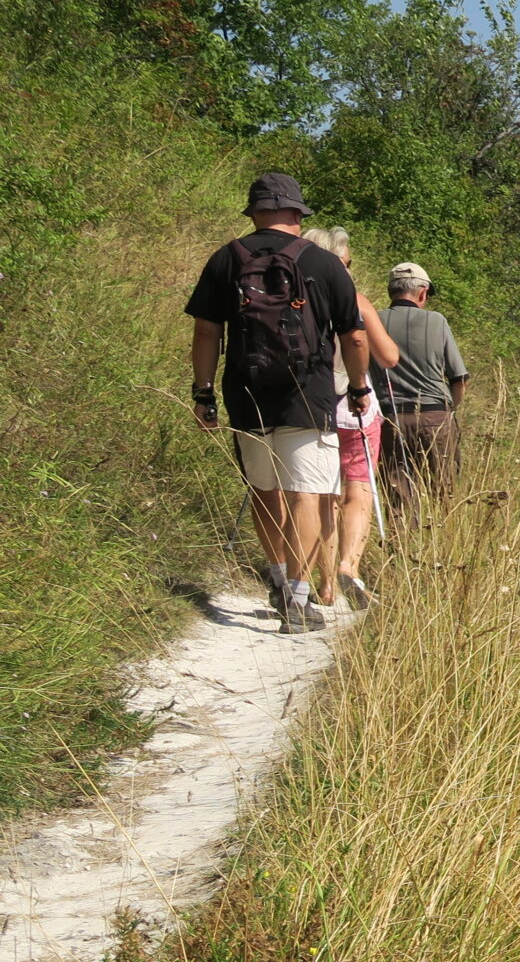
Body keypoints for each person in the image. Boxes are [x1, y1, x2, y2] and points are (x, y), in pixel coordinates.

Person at [186, 172, 370, 635]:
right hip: (307, 394)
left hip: (246, 392)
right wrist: (360, 388)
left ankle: (276, 577)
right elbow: (354, 335)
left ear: (254, 212)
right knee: (305, 493)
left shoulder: (225, 260)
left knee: (265, 491)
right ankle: (298, 594)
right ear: (297, 213)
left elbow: (207, 331)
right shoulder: (325, 264)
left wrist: (203, 392)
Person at [315, 227, 400, 611]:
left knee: (323, 495)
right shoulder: (355, 300)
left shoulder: (299, 300)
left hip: (312, 406)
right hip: (356, 408)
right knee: (358, 491)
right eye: (347, 262)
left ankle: (326, 582)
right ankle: (349, 567)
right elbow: (389, 356)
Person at [378, 260, 469, 513]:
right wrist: (450, 410)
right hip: (434, 416)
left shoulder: (374, 321)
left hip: (391, 418)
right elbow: (459, 379)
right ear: (422, 292)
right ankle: (443, 544)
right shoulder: (437, 321)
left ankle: (402, 548)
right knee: (444, 492)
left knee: (398, 496)